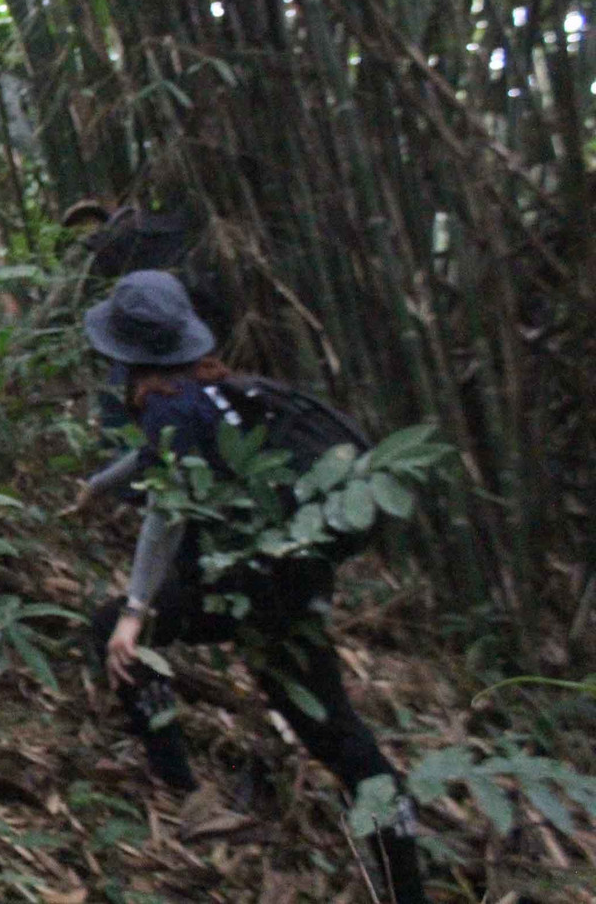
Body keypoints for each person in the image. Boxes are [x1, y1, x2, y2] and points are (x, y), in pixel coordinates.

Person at [77, 271, 427, 904]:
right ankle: (402, 877)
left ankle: (182, 787)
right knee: (337, 735)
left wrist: (134, 609)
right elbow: (161, 456)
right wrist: (99, 486)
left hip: (255, 592)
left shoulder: (166, 403)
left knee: (118, 635)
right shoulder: (210, 387)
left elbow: (166, 513)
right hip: (290, 578)